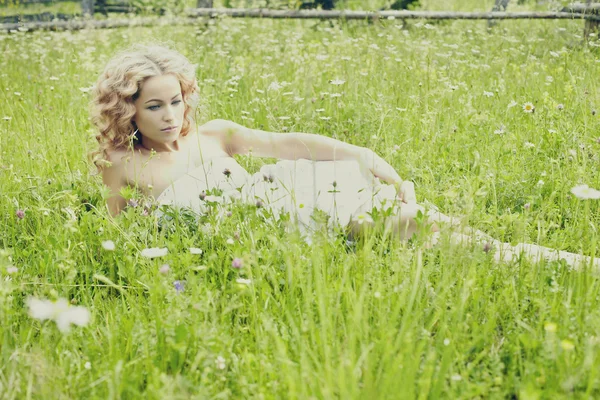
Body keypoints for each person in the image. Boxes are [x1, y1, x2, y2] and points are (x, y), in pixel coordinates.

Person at [90, 43, 599, 269]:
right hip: (263, 235)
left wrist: (363, 153)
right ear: (127, 107)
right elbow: (117, 234)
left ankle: (565, 263)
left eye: (176, 100)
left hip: (294, 201)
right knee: (420, 230)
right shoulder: (123, 163)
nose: (170, 114)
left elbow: (287, 141)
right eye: (153, 105)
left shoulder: (214, 135)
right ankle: (547, 261)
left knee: (433, 227)